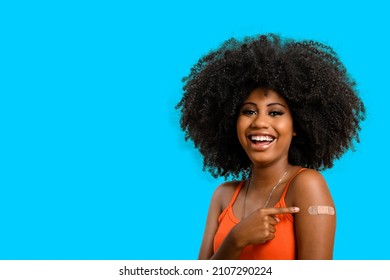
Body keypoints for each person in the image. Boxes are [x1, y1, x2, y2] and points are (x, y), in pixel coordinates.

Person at [176, 34, 365, 260]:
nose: (260, 122)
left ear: (298, 125)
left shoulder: (306, 186)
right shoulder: (223, 196)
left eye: (275, 112)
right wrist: (235, 241)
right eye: (248, 111)